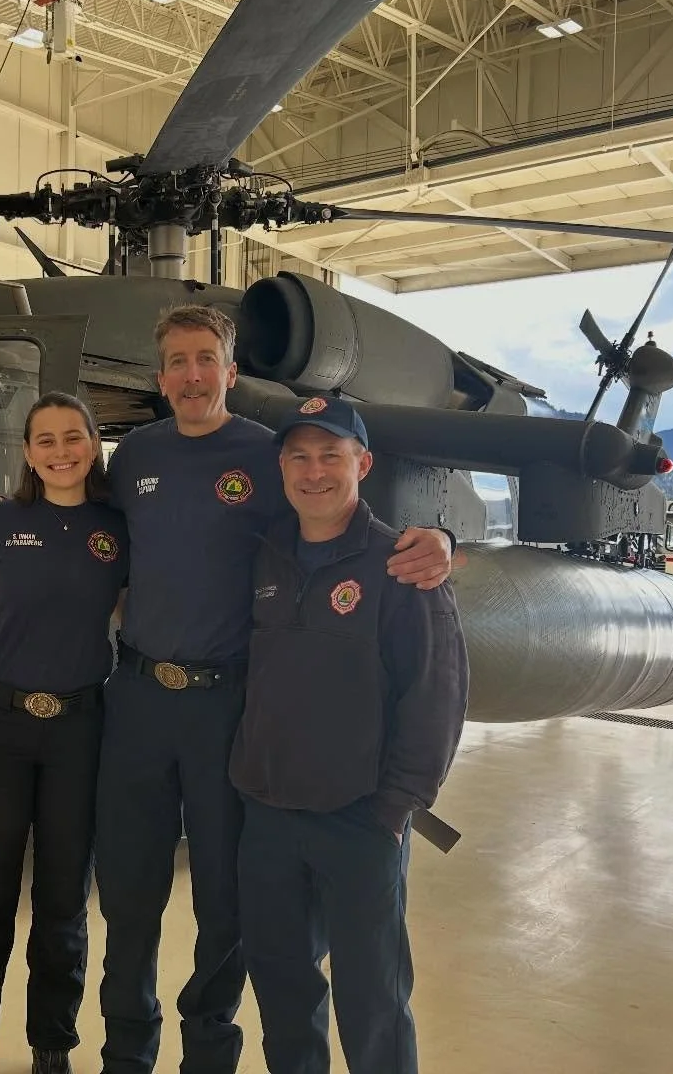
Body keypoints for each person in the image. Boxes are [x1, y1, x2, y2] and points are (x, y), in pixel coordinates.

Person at [0, 305, 455, 1074]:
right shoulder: (133, 459)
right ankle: (129, 1049)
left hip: (228, 710)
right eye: (178, 362)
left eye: (206, 359)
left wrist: (432, 539)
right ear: (161, 379)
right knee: (128, 895)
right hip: (137, 700)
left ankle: (208, 1057)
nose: (192, 375)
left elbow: (332, 511)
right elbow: (76, 518)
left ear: (229, 371)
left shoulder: (268, 455)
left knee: (226, 906)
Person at [229, 395, 469, 1074]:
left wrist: (396, 807)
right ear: (281, 467)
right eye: (299, 457)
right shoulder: (266, 554)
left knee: (374, 1002)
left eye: (330, 455)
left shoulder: (403, 564)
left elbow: (437, 692)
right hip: (268, 814)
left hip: (360, 819)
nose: (314, 472)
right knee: (282, 987)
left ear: (362, 463)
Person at [0, 391, 130, 1074]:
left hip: (79, 732)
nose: (61, 452)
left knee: (63, 905)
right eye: (44, 440)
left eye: (73, 437)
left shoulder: (118, 527)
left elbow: (134, 620)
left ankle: (52, 1044)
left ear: (93, 444)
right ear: (27, 452)